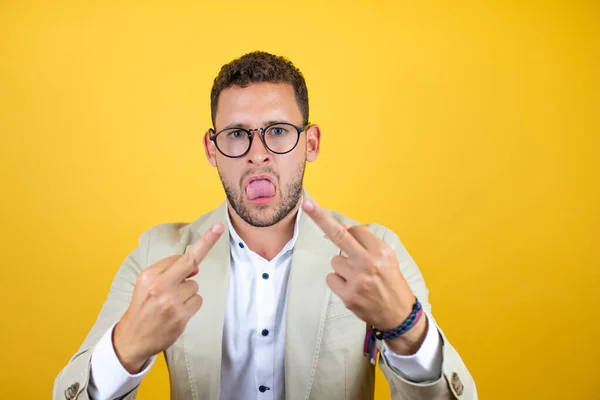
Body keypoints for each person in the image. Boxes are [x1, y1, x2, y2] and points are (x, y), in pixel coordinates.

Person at [53, 51, 476, 400]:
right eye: (237, 134)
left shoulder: (374, 254)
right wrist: (125, 347)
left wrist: (408, 328)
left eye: (277, 131)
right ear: (212, 149)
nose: (258, 154)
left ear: (310, 144)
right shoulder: (158, 254)